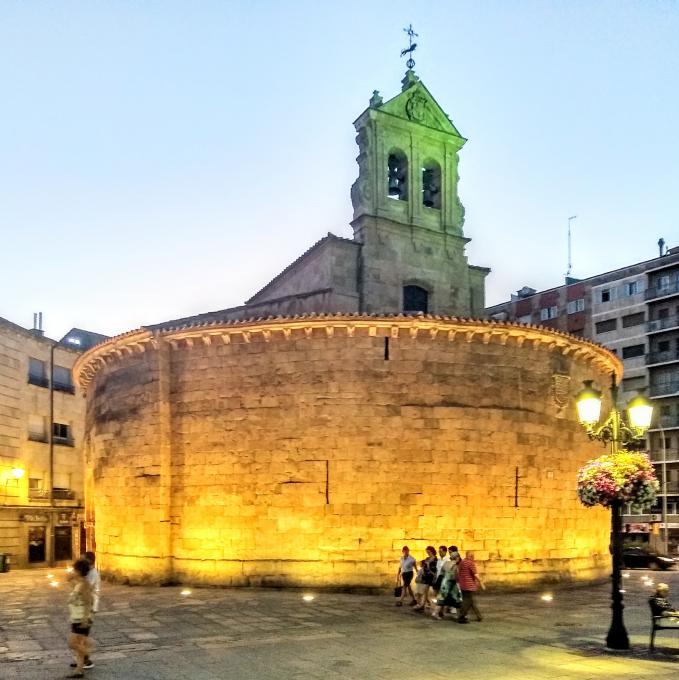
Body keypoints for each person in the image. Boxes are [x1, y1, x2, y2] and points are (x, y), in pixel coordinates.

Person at [70, 551, 100, 670]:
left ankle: (85, 659)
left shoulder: (92, 575)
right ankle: (80, 663)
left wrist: (85, 616)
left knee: (79, 640)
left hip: (87, 609)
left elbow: (87, 593)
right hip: (80, 611)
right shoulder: (87, 576)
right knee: (79, 639)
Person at [66, 558, 93, 678]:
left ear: (79, 570)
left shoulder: (84, 584)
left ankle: (88, 652)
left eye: (74, 569)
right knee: (78, 645)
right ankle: (79, 670)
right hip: (75, 617)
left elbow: (88, 602)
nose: (72, 571)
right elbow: (74, 592)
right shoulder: (79, 582)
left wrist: (85, 619)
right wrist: (69, 580)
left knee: (72, 643)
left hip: (81, 618)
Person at [431, 549, 461, 619]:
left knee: (441, 599)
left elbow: (441, 573)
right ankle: (460, 615)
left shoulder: (446, 563)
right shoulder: (455, 566)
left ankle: (436, 612)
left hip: (444, 582)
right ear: (457, 558)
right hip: (451, 584)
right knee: (457, 599)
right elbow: (455, 576)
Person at [456, 551, 484, 623]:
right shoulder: (471, 563)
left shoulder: (462, 562)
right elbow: (475, 574)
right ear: (471, 556)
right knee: (468, 602)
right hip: (469, 585)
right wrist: (481, 582)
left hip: (463, 585)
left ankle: (479, 616)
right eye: (473, 556)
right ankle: (461, 616)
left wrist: (458, 582)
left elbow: (458, 573)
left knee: (471, 601)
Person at [413, 546, 438, 611]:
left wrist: (428, 566)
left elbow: (435, 569)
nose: (428, 553)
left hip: (430, 577)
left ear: (432, 551)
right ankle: (423, 605)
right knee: (421, 592)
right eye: (427, 552)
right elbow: (422, 564)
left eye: (429, 552)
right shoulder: (427, 558)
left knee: (426, 592)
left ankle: (422, 605)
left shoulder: (436, 560)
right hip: (424, 577)